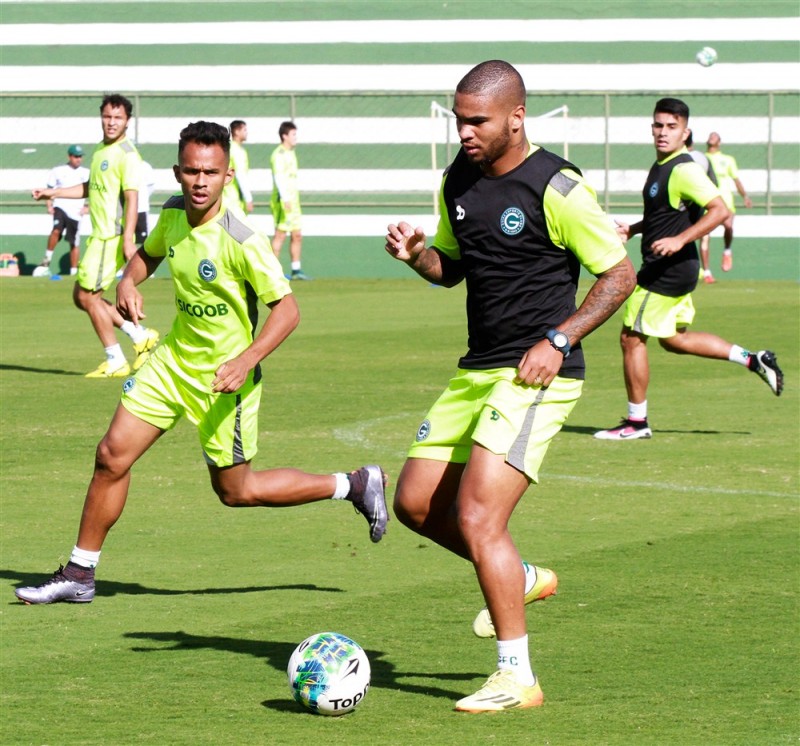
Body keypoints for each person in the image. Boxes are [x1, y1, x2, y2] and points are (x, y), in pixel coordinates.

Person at [15, 120, 388, 607]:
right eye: (191, 171)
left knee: (236, 491)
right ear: (177, 172)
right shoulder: (172, 215)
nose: (200, 182)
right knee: (111, 456)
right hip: (170, 364)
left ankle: (353, 484)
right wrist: (128, 281)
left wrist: (246, 359)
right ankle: (80, 573)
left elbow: (288, 311)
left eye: (210, 172)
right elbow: (147, 257)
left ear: (227, 175)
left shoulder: (242, 238)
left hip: (223, 381)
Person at [384, 60, 636, 712]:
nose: (464, 132)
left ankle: (516, 676)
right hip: (476, 369)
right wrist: (417, 254)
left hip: (537, 372)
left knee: (477, 515)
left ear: (516, 119)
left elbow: (618, 277)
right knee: (414, 502)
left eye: (478, 121)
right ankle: (519, 576)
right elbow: (451, 270)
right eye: (459, 119)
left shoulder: (558, 187)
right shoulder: (457, 180)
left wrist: (559, 340)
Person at [594, 98, 783, 442]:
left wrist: (680, 240)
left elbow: (720, 210)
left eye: (671, 126)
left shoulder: (683, 169)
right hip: (677, 267)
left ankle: (637, 423)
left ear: (685, 131)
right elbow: (663, 214)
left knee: (631, 337)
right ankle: (753, 359)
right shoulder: (662, 165)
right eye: (658, 125)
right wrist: (634, 229)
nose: (662, 132)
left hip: (666, 268)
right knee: (673, 340)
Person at [31, 94, 159, 378]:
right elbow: (90, 187)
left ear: (128, 121)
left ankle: (115, 359)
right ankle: (139, 336)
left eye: (118, 118)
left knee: (88, 297)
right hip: (99, 238)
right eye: (107, 117)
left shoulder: (127, 154)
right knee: (82, 297)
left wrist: (128, 239)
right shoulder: (101, 150)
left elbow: (132, 198)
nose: (112, 122)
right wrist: (53, 193)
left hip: (110, 237)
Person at [35, 145, 89, 277]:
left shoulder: (86, 172)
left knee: (74, 241)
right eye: (76, 156)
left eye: (80, 156)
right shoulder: (58, 170)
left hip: (76, 212)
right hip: (60, 206)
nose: (78, 159)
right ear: (69, 156)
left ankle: (73, 271)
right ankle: (46, 261)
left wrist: (88, 207)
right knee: (56, 230)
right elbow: (49, 188)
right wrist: (49, 205)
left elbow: (93, 191)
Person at [704, 131, 752, 273]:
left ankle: (727, 251)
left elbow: (736, 180)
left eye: (715, 136)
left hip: (726, 202)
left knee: (728, 226)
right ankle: (707, 272)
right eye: (710, 136)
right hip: (707, 200)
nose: (712, 137)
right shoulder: (702, 158)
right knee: (705, 236)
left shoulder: (728, 159)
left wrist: (745, 196)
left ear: (719, 142)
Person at [270, 121, 309, 280]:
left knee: (297, 234)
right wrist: (285, 198)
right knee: (280, 235)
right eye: (293, 134)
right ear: (284, 136)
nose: (296, 138)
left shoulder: (291, 152)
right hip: (283, 201)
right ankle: (272, 272)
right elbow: (278, 177)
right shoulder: (278, 154)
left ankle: (296, 270)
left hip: (294, 201)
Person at [685, 131, 718, 284]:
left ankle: (694, 271)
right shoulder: (702, 158)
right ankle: (707, 272)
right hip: (702, 207)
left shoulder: (676, 159)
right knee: (703, 239)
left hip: (680, 210)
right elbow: (714, 183)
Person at [222, 119, 253, 215]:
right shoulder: (236, 150)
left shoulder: (233, 148)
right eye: (244, 130)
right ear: (236, 132)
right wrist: (248, 198)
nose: (247, 132)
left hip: (231, 196)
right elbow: (240, 175)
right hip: (233, 197)